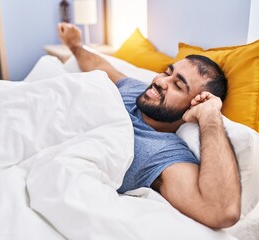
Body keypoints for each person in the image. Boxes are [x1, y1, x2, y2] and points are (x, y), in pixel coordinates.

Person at [57, 23, 241, 229]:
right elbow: (102, 68)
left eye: (178, 85)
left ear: (194, 104)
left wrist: (209, 115)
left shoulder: (163, 152)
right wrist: (75, 46)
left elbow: (221, 210)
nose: (161, 81)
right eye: (166, 72)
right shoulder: (134, 88)